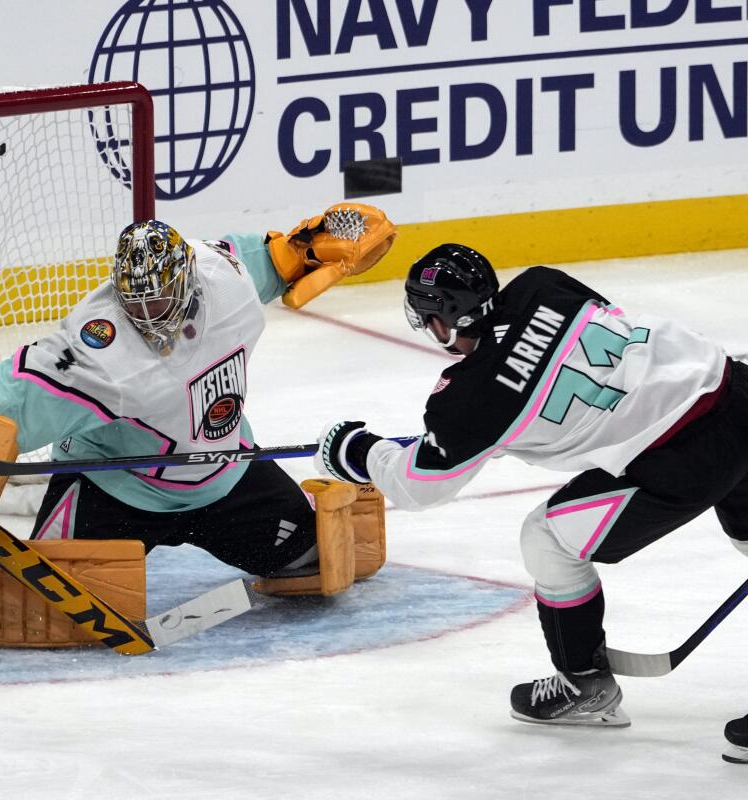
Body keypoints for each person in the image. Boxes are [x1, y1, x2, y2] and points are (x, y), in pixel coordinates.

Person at [314, 244, 748, 746]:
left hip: (687, 454)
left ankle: (584, 684)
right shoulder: (544, 284)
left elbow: (418, 488)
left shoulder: (469, 401)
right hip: (734, 388)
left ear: (444, 321)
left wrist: (355, 450)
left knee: (546, 539)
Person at [0, 207, 394, 587]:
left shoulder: (225, 278)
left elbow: (271, 259)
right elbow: (18, 393)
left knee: (311, 560)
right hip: (115, 489)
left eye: (160, 299)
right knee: (51, 599)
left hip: (225, 474)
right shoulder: (100, 348)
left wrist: (301, 251)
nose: (149, 315)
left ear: (189, 280)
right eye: (137, 303)